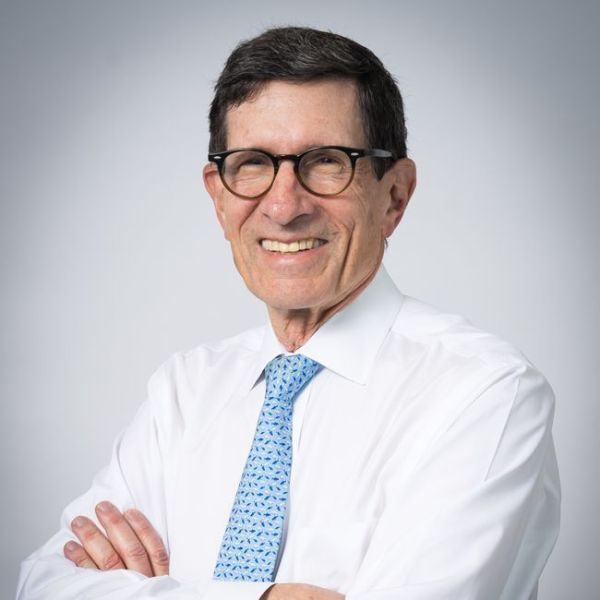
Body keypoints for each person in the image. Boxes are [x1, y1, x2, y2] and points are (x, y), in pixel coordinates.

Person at [17, 26, 560, 600]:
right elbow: (43, 584)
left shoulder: (484, 393)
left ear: (394, 195)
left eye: (327, 162)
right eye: (252, 163)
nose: (283, 206)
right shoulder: (184, 391)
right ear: (219, 198)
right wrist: (265, 597)